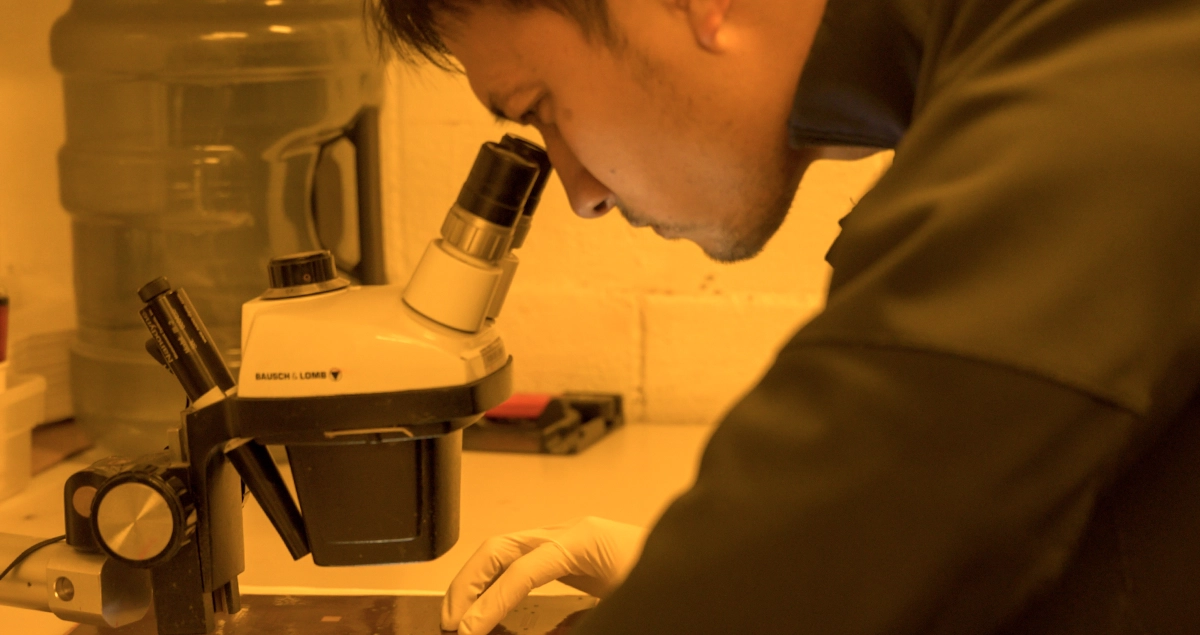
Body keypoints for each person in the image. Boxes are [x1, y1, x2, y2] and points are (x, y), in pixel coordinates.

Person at [371, 0, 1200, 633]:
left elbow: (891, 467)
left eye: (542, 103)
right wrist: (705, 562)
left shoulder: (1099, 54)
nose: (581, 191)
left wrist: (748, 580)